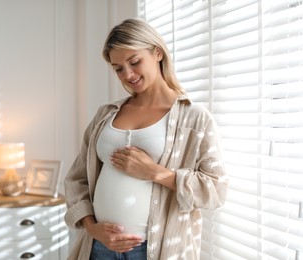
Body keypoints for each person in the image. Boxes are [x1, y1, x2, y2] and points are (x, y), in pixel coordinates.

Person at [64, 18, 228, 260]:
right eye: (118, 68)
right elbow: (77, 180)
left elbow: (215, 190)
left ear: (157, 53)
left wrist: (156, 172)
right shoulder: (106, 114)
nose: (128, 74)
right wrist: (92, 227)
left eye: (134, 62)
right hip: (99, 247)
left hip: (156, 249)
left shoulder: (194, 117)